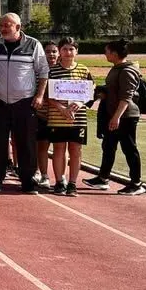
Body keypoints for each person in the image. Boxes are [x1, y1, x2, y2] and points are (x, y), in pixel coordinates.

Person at [0, 13, 50, 193]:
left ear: (18, 27)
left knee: (26, 143)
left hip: (25, 102)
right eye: (2, 25)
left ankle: (28, 181)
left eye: (8, 25)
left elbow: (43, 71)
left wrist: (39, 95)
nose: (4, 28)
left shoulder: (33, 44)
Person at [86, 39, 144, 195]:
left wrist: (116, 117)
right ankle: (103, 178)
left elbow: (126, 96)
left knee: (129, 148)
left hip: (126, 116)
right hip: (115, 114)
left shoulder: (127, 71)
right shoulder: (117, 68)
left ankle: (136, 183)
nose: (105, 54)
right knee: (108, 146)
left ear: (114, 53)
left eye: (107, 51)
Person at [45, 37, 93, 196]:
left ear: (76, 51)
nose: (68, 52)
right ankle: (59, 181)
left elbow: (89, 93)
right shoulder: (52, 71)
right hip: (57, 117)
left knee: (76, 149)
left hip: (77, 118)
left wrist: (80, 103)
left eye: (71, 49)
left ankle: (72, 183)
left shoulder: (84, 70)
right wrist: (61, 108)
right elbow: (47, 95)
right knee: (59, 148)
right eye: (64, 49)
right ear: (60, 51)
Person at [34, 41, 60, 186]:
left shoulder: (63, 71)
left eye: (54, 51)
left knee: (60, 148)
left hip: (60, 116)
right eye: (48, 51)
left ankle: (60, 178)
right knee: (42, 146)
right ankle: (44, 175)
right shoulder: (38, 72)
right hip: (42, 115)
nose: (51, 54)